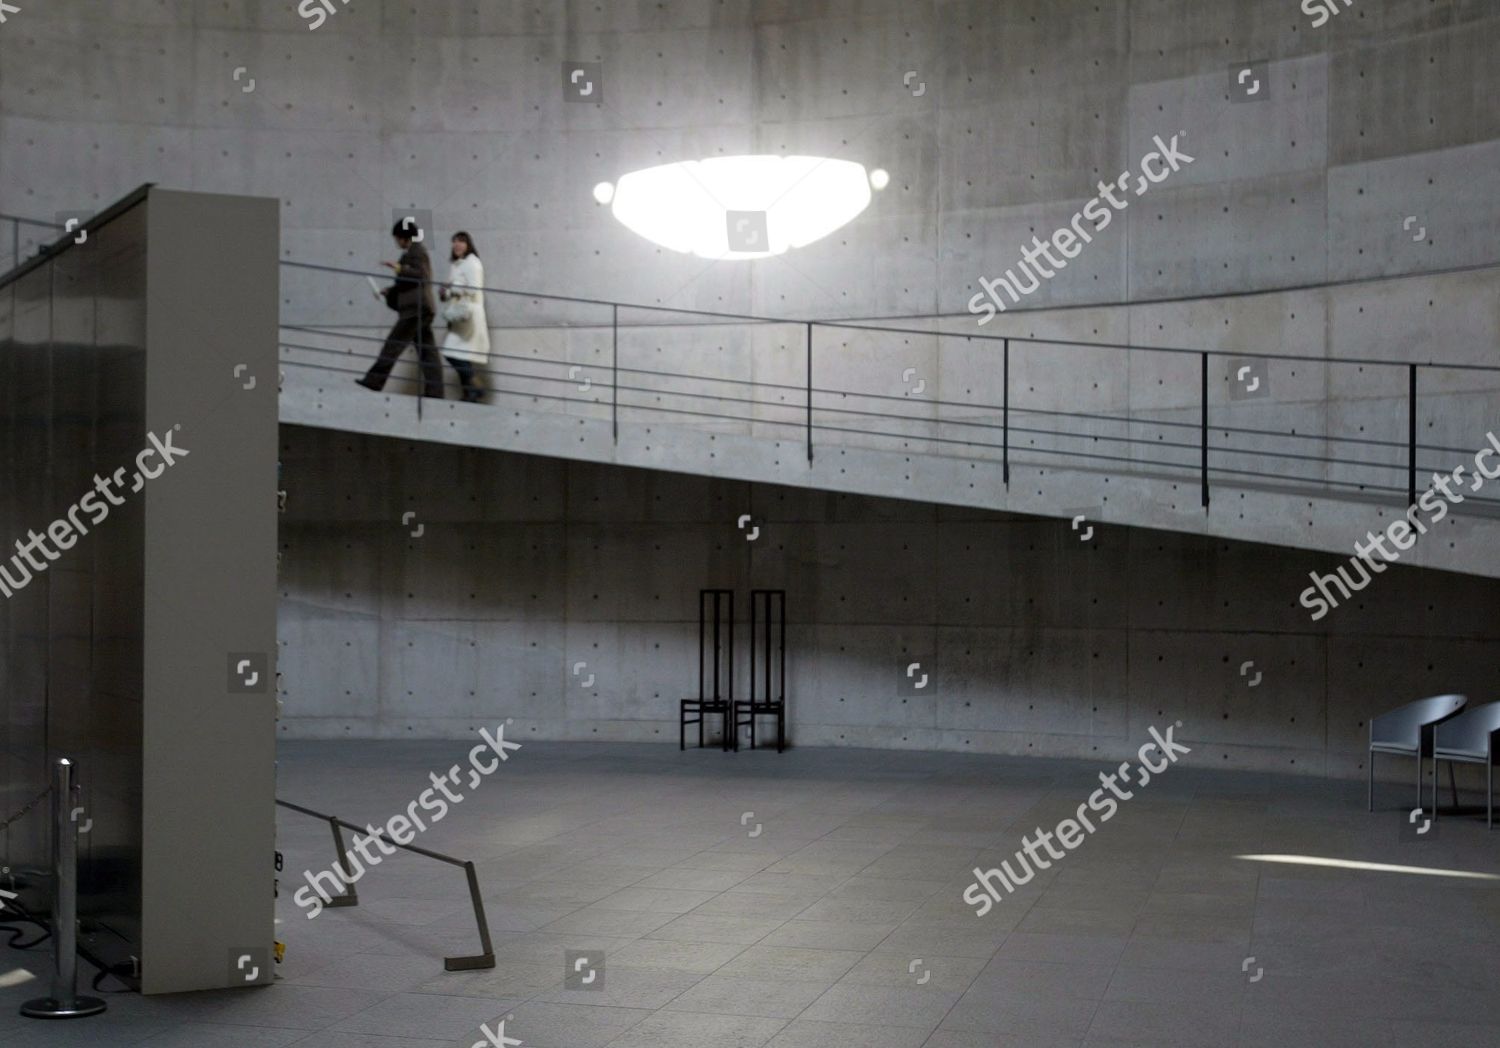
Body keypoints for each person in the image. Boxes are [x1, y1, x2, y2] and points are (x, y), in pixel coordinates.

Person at [357, 219, 443, 398]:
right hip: (421, 308)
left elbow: (421, 275)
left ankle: (374, 381)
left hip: (415, 310)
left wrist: (398, 268)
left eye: (397, 238)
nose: (396, 242)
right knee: (427, 351)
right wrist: (390, 291)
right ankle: (435, 391)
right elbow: (409, 282)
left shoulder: (417, 251)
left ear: (403, 237)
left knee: (393, 345)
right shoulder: (413, 252)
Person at [439, 232, 490, 403]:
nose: (457, 245)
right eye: (454, 242)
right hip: (459, 316)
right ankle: (469, 394)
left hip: (469, 315)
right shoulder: (457, 265)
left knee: (453, 353)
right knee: (460, 355)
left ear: (468, 244)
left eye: (461, 242)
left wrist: (452, 288)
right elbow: (452, 289)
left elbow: (474, 289)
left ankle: (475, 385)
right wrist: (444, 291)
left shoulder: (472, 263)